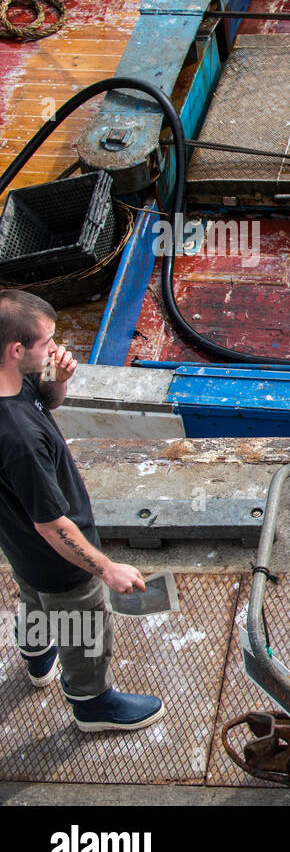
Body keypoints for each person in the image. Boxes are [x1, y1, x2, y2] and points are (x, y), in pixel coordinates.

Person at [0, 290, 164, 732]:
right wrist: (106, 568)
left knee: (33, 597)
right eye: (48, 342)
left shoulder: (11, 382)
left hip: (17, 545)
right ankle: (92, 703)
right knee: (81, 625)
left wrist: (54, 377)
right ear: (16, 350)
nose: (56, 347)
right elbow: (52, 525)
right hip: (59, 560)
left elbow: (45, 401)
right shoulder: (18, 440)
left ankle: (36, 658)